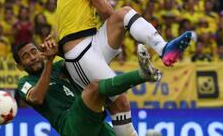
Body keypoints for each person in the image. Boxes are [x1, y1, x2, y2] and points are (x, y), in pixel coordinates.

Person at [56, 0, 192, 135]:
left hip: (91, 45)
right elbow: (104, 9)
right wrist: (118, 33)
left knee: (123, 14)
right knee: (119, 100)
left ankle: (164, 49)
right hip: (78, 52)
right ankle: (162, 48)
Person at [14, 36, 161, 136]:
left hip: (92, 120)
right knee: (94, 88)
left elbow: (80, 62)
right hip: (70, 125)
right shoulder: (25, 82)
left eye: (34, 52)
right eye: (26, 56)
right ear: (20, 66)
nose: (32, 57)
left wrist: (56, 50)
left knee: (117, 97)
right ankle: (142, 75)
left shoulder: (58, 66)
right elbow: (37, 98)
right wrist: (49, 62)